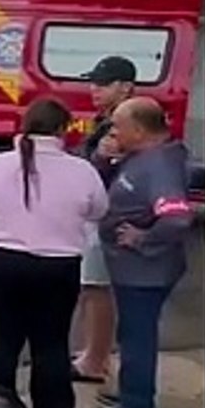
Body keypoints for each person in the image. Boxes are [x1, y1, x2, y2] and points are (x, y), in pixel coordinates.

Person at [0, 97, 109, 408]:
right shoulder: (82, 171)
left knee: (1, 338)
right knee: (51, 342)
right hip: (59, 267)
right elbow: (99, 210)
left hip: (3, 262)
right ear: (62, 130)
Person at [89, 97, 196, 408]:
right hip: (133, 270)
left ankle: (136, 406)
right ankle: (130, 391)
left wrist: (142, 237)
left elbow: (177, 219)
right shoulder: (141, 156)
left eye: (118, 125)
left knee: (138, 335)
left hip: (146, 272)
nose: (112, 131)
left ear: (139, 129)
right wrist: (105, 161)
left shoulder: (160, 167)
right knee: (131, 332)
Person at [72, 56, 136, 384]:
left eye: (102, 83)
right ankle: (92, 353)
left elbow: (103, 165)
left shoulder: (122, 124)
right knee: (91, 287)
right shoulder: (108, 118)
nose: (93, 89)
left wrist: (95, 158)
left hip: (109, 215)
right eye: (92, 81)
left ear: (124, 87)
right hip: (102, 212)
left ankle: (95, 361)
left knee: (98, 289)